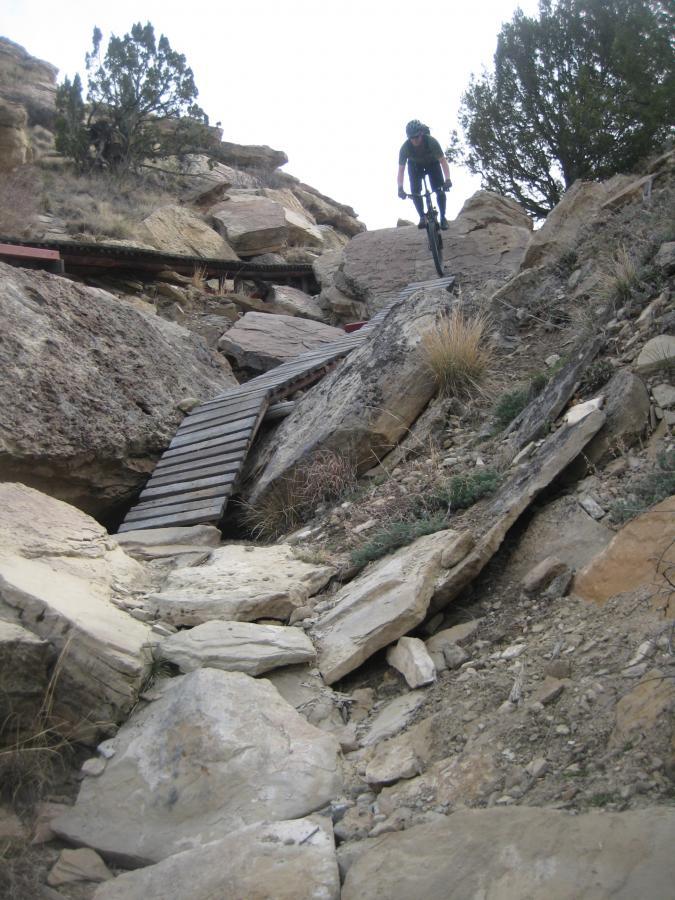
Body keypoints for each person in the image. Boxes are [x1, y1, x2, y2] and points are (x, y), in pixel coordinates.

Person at [397, 120, 452, 229]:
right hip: (415, 167)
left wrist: (448, 179)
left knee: (439, 191)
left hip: (432, 164)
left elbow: (443, 161)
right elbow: (401, 170)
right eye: (412, 138)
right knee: (415, 193)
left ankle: (443, 218)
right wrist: (400, 188)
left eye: (417, 136)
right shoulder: (405, 148)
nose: (415, 140)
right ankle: (422, 217)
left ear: (421, 133)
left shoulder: (431, 142)